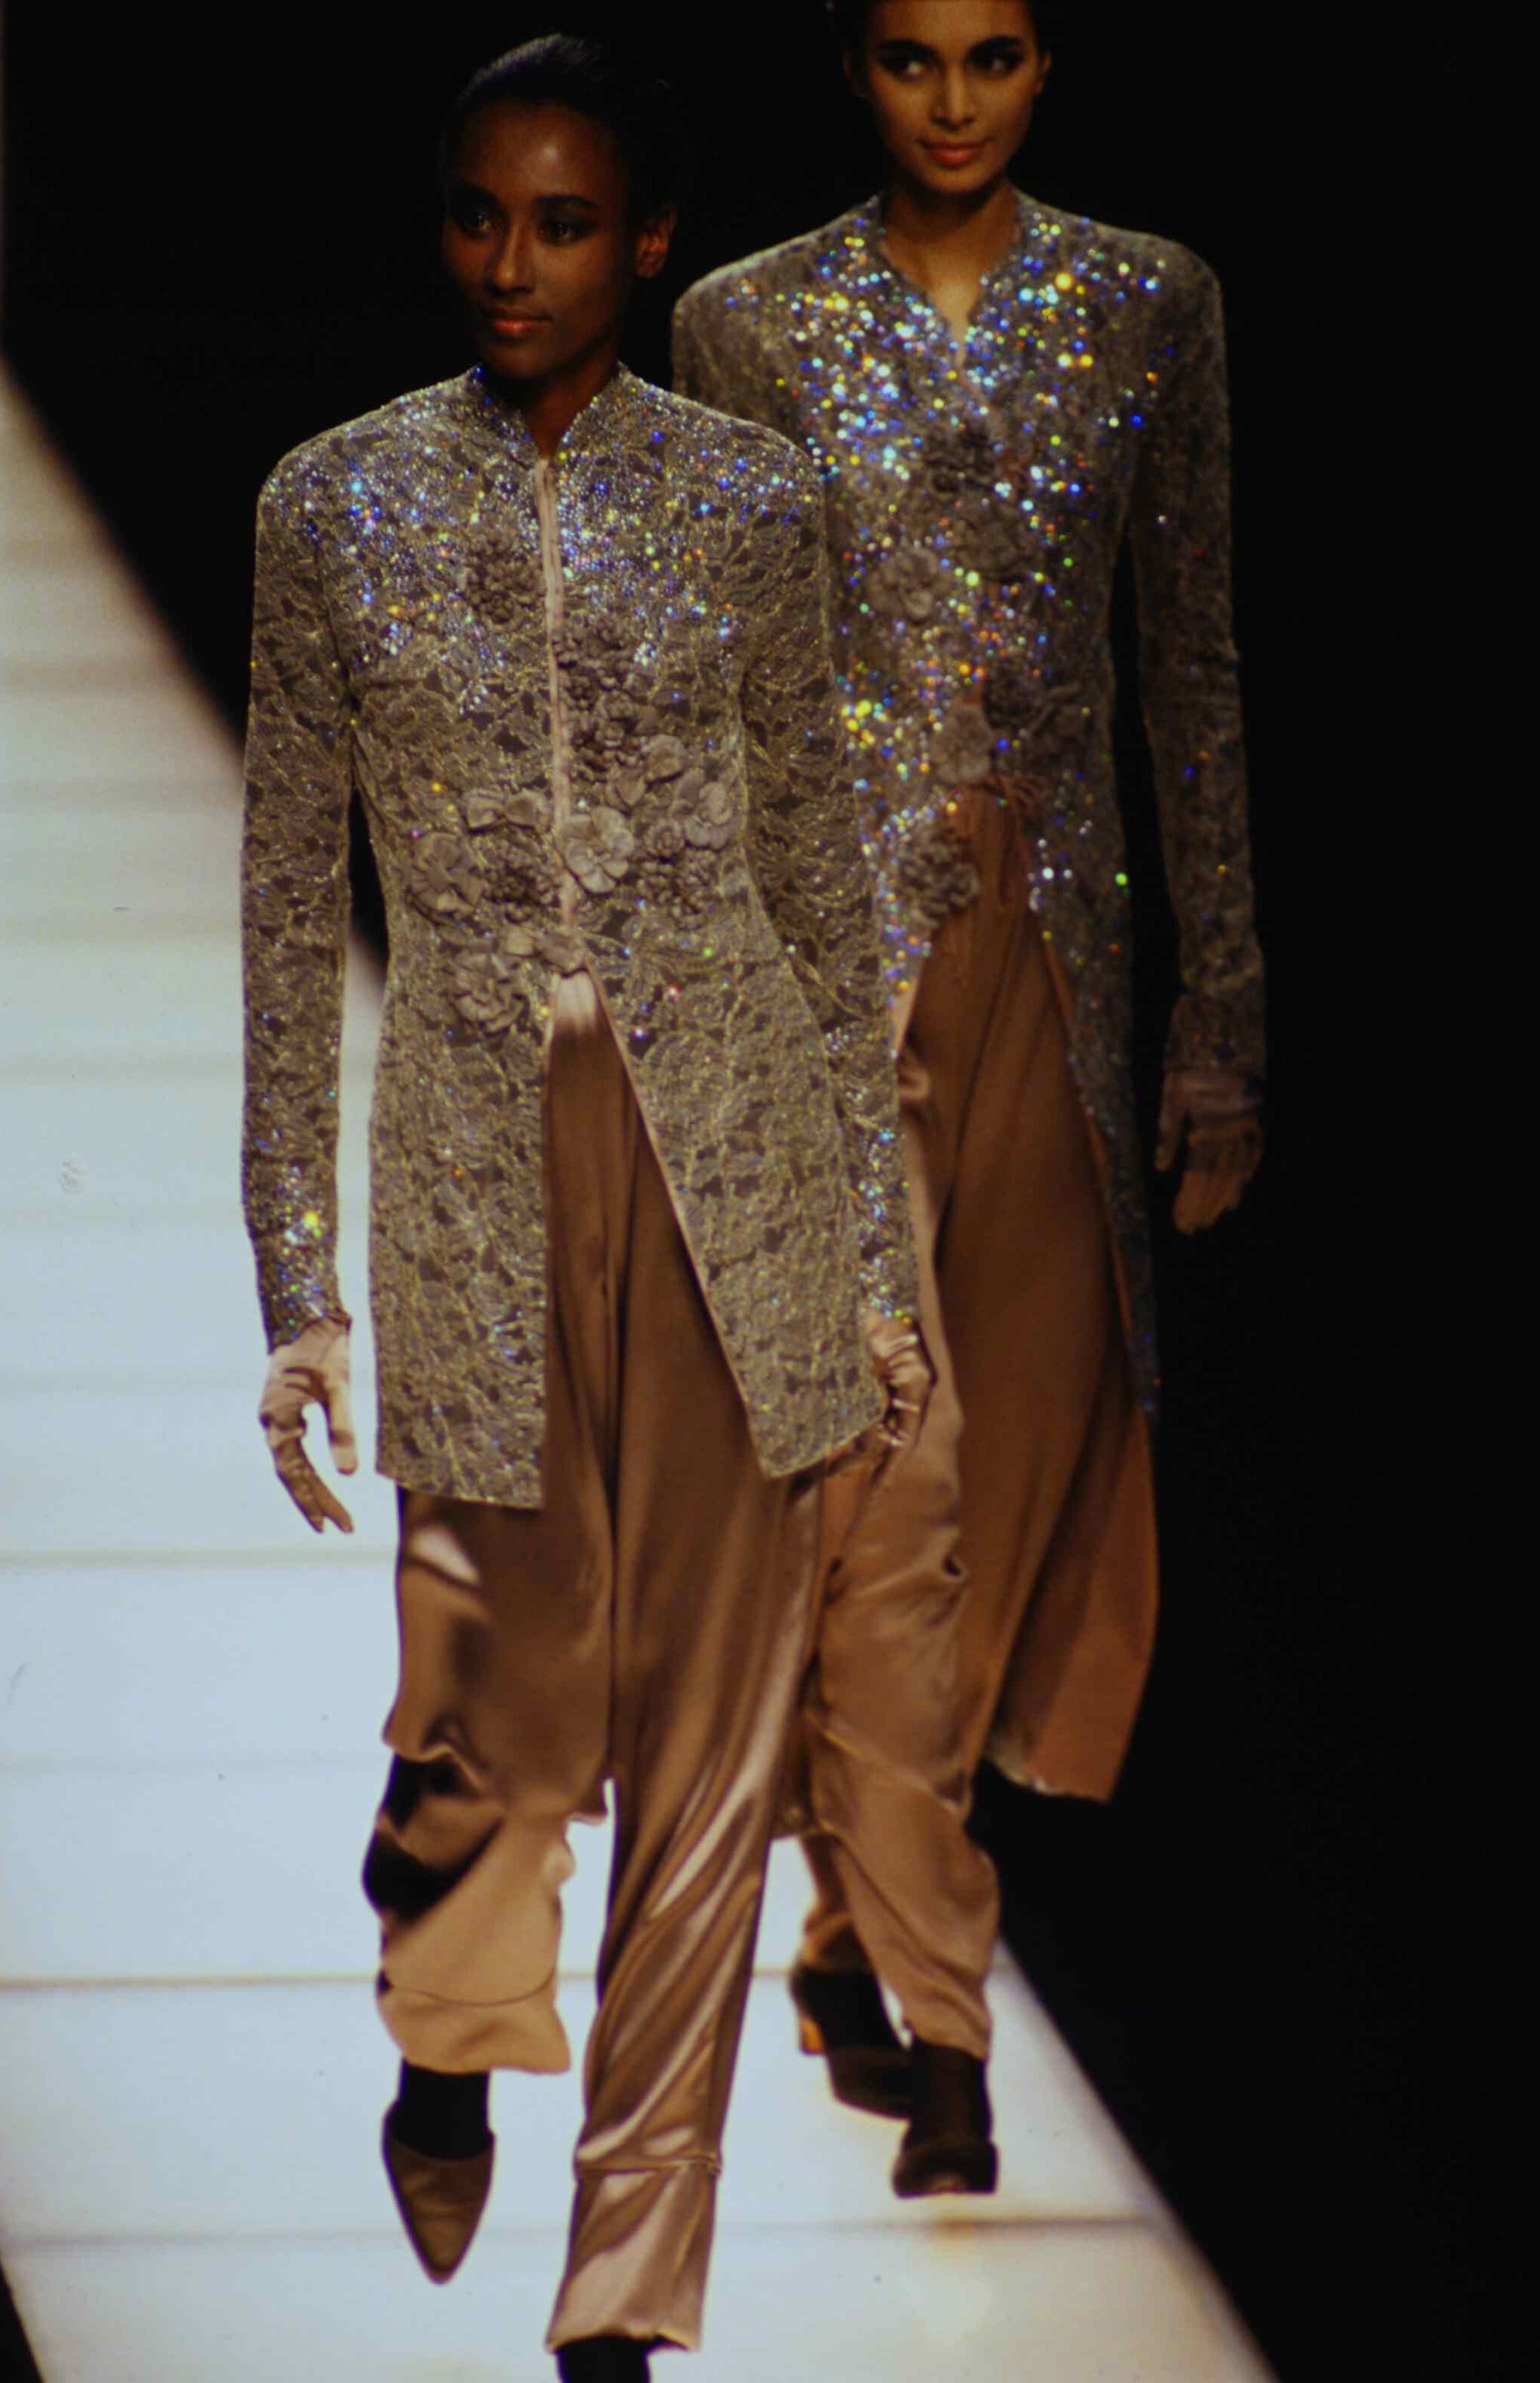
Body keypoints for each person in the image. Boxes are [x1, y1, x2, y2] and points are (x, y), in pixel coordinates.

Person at [240, 35, 974, 2381]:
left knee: (717, 1749)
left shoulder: (752, 504)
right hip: (477, 1144)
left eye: (562, 223)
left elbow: (821, 900)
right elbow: (289, 917)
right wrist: (297, 1283)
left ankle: (623, 2309)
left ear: (648, 240)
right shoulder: (331, 505)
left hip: (733, 1144)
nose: (513, 264)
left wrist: (875, 1269)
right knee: (488, 1691)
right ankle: (451, 2021)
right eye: (479, 216)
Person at [673, 0, 1265, 2108]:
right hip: (828, 964)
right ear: (853, 68)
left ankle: (860, 1910)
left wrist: (1222, 1015)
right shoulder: (745, 323)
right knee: (874, 1460)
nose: (952, 99)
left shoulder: (1148, 304)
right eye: (913, 57)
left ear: (1046, 68)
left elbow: (1188, 663)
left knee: (1003, 1469)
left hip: (1057, 953)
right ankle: (932, 1984)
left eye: (993, 55)